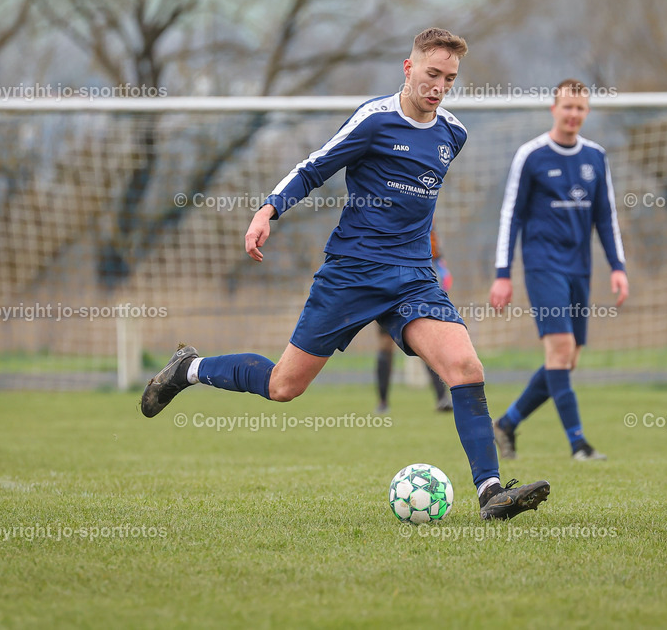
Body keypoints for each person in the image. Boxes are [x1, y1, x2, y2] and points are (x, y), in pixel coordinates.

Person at [141, 28, 549, 520]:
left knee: (466, 369)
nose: (439, 86)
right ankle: (187, 368)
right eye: (431, 74)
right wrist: (268, 210)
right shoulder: (375, 120)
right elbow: (314, 167)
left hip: (414, 277)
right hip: (352, 273)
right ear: (408, 67)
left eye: (449, 78)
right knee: (282, 386)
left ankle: (491, 494)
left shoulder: (453, 134)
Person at [489, 78, 629, 461]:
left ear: (587, 112)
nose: (573, 114)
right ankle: (578, 444)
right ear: (554, 108)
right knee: (561, 349)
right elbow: (510, 216)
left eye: (580, 108)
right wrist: (503, 274)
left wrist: (618, 267)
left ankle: (506, 424)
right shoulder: (531, 155)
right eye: (567, 106)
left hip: (580, 270)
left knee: (567, 360)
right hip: (542, 265)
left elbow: (606, 217)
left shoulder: (596, 157)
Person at [375, 223, 452, 414]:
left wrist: (442, 281)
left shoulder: (426, 226)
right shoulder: (385, 222)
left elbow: (439, 260)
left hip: (413, 292)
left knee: (423, 342)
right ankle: (383, 402)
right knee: (386, 345)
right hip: (387, 290)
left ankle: (442, 397)